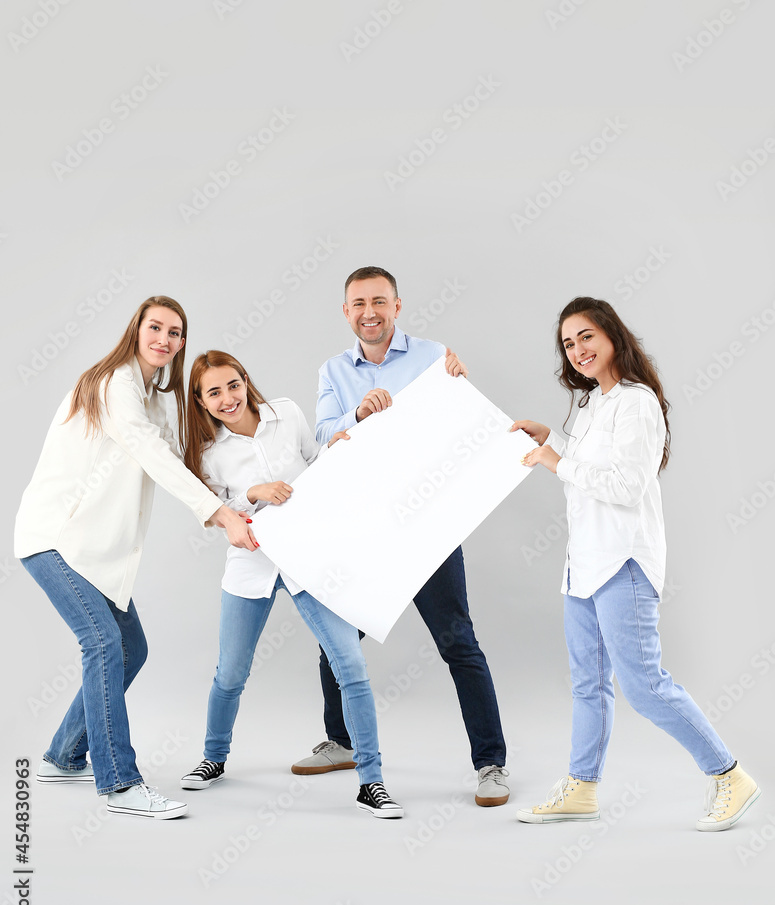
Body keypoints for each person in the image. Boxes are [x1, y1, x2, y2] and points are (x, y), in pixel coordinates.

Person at [512, 296, 760, 831]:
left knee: (645, 686)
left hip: (622, 561)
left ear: (612, 335)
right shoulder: (589, 404)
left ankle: (730, 775)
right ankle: (582, 788)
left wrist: (555, 463)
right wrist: (552, 439)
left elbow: (626, 486)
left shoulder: (637, 402)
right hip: (583, 566)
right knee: (588, 684)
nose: (578, 349)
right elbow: (587, 464)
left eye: (586, 336)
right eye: (568, 343)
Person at [15, 296, 256, 820]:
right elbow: (149, 451)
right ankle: (120, 783)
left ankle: (63, 755)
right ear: (137, 329)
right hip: (53, 538)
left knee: (130, 648)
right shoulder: (113, 384)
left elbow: (176, 457)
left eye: (175, 332)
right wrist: (219, 515)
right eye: (155, 327)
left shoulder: (154, 397)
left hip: (90, 550)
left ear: (181, 343)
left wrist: (239, 493)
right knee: (103, 643)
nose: (164, 339)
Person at [290, 265, 510, 807]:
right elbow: (323, 437)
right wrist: (356, 413)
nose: (370, 312)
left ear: (397, 306)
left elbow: (462, 426)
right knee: (337, 642)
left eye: (379, 302)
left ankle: (491, 765)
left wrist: (461, 383)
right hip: (366, 529)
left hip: (428, 528)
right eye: (359, 303)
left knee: (458, 643)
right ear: (346, 312)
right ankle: (342, 743)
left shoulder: (434, 356)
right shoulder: (333, 371)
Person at [179, 351, 402, 819]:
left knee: (351, 665)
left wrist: (335, 448)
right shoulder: (207, 452)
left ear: (245, 381)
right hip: (251, 564)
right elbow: (213, 511)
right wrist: (253, 494)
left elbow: (314, 462)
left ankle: (372, 782)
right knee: (230, 674)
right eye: (213, 392)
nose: (227, 398)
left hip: (309, 558)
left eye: (233, 385)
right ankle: (213, 757)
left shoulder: (286, 413)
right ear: (200, 401)